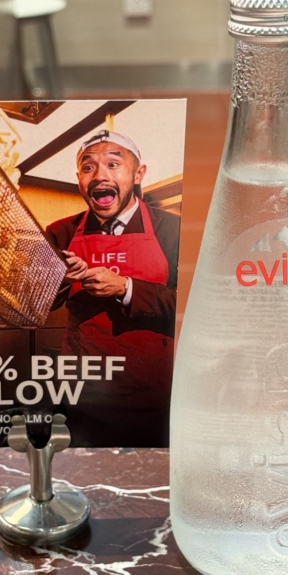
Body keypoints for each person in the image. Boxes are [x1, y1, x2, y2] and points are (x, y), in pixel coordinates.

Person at [46, 129, 180, 445]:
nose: (99, 175)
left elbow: (194, 306)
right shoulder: (61, 232)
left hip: (155, 396)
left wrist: (126, 288)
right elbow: (37, 306)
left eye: (113, 164)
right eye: (88, 167)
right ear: (78, 179)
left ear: (138, 174)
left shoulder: (172, 229)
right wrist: (62, 279)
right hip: (84, 395)